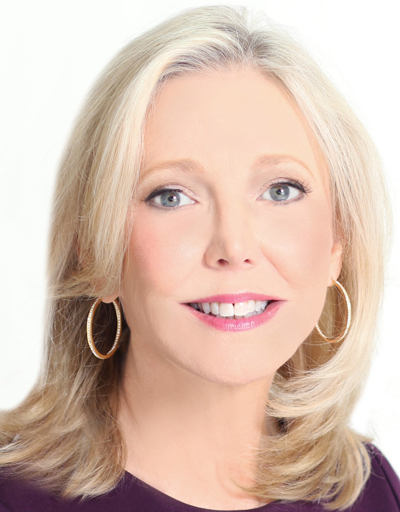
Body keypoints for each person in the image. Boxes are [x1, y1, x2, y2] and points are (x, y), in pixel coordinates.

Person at [0, 4, 399, 511]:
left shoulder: (369, 491)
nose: (234, 246)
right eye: (171, 196)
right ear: (96, 251)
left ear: (338, 242)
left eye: (280, 190)